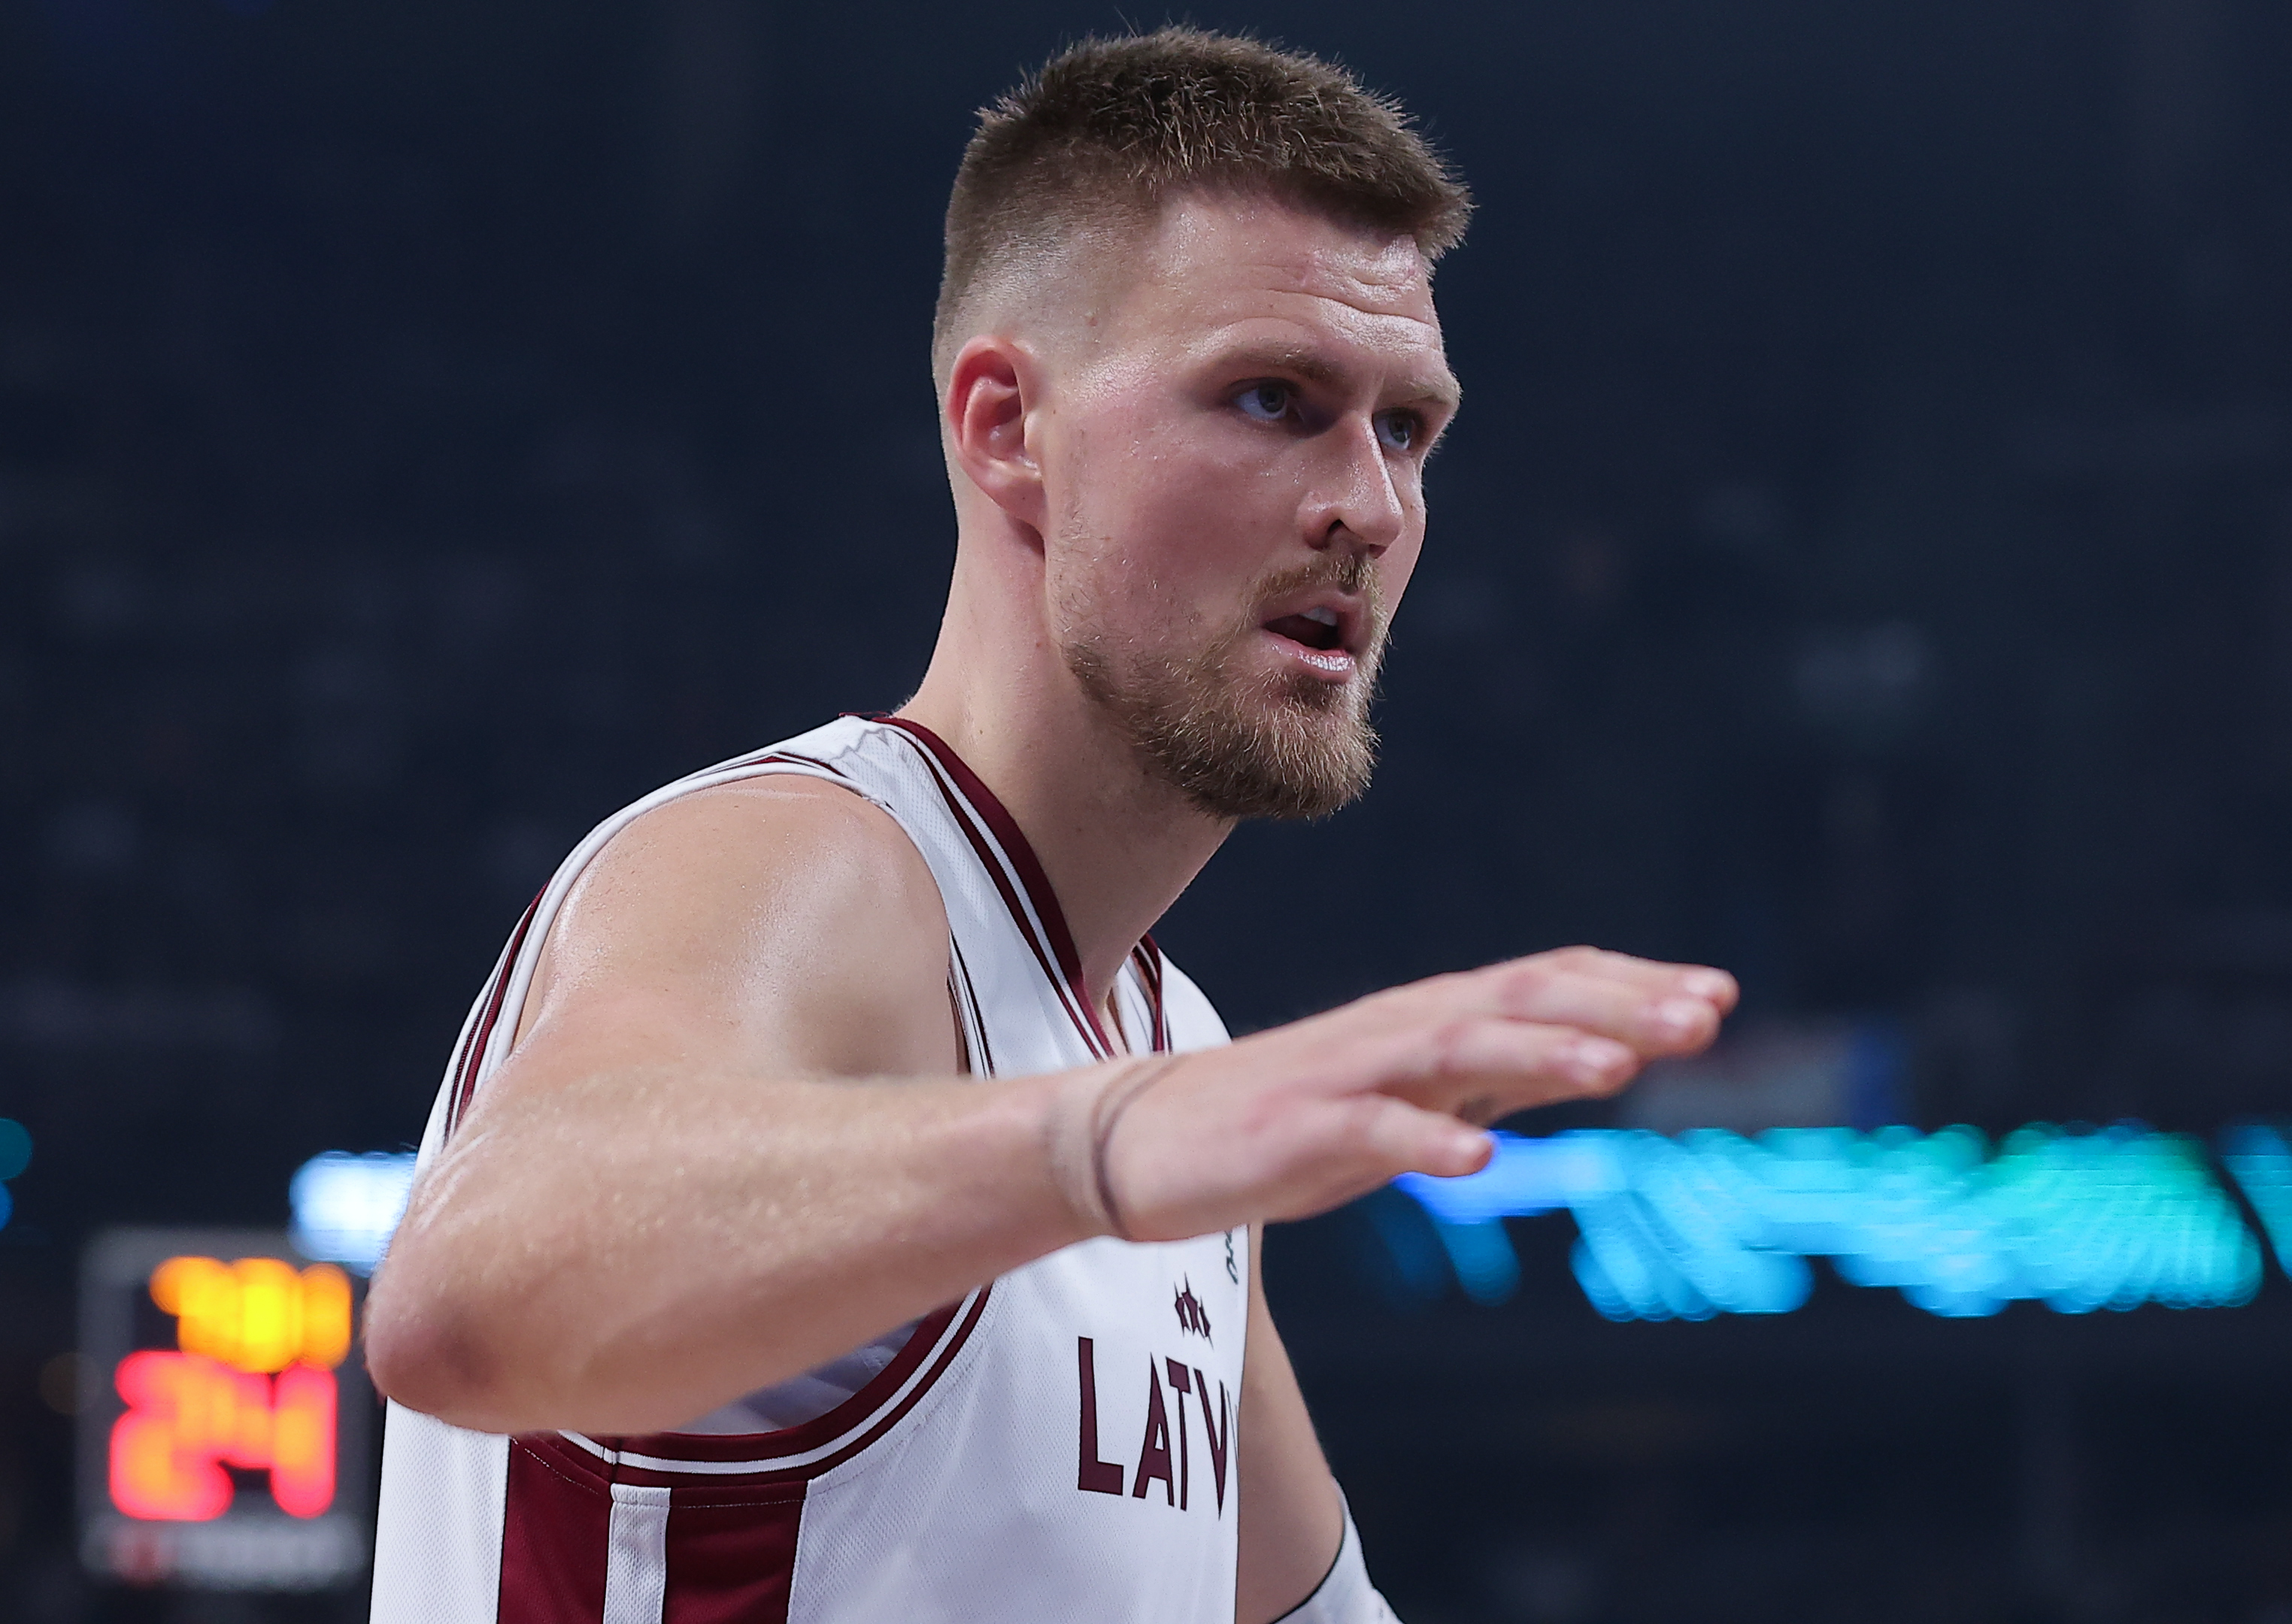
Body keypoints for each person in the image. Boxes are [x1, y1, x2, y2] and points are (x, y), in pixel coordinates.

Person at [363, 28, 1736, 1624]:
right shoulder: (811, 866)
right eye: (1274, 397)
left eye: (1407, 429)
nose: (1367, 504)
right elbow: (459, 1299)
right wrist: (1102, 1145)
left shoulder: (1166, 1039)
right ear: (1011, 428)